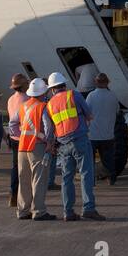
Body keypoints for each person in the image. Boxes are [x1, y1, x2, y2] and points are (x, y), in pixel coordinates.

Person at [43, 71, 105, 221]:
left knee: (66, 178)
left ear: (52, 89)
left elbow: (50, 129)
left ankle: (68, 212)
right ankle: (88, 209)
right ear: (64, 84)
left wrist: (50, 145)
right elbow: (89, 115)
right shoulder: (74, 95)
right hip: (80, 140)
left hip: (63, 145)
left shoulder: (49, 105)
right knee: (86, 174)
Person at [16, 79, 56, 222]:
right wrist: (50, 142)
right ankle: (39, 211)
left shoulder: (23, 106)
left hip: (22, 147)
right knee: (39, 179)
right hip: (37, 146)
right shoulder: (42, 106)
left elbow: (14, 124)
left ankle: (23, 211)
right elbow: (48, 127)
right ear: (43, 92)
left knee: (24, 180)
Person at [85, 72, 121, 185]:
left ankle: (91, 181)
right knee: (108, 159)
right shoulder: (113, 96)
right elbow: (117, 111)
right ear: (107, 82)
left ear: (96, 83)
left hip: (93, 135)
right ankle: (111, 178)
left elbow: (86, 112)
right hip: (108, 134)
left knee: (90, 160)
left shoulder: (91, 96)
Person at [5, 72, 29, 207]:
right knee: (27, 169)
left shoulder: (10, 100)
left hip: (13, 137)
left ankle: (13, 196)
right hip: (25, 138)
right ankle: (26, 198)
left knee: (15, 167)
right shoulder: (27, 99)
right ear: (23, 85)